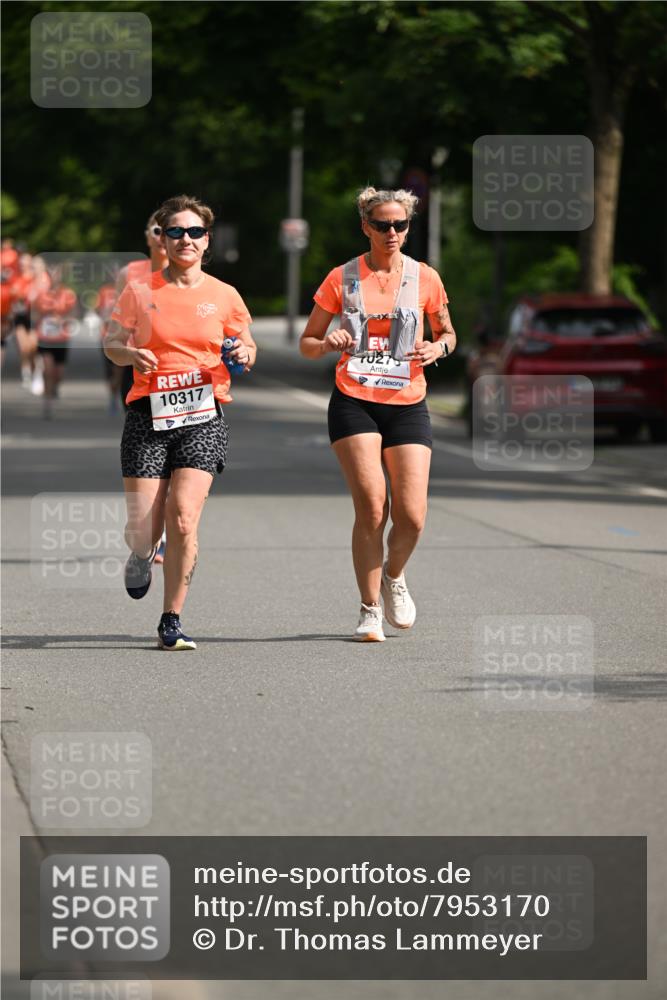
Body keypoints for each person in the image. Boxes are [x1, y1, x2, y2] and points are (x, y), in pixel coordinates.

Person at [300, 186, 456, 642]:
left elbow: (448, 332)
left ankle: (394, 576)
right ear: (366, 227)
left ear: (409, 228)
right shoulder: (342, 277)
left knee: (411, 515)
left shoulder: (425, 277)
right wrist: (327, 342)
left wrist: (438, 346)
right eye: (383, 224)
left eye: (400, 225)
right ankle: (369, 609)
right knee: (372, 507)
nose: (392, 232)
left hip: (408, 401)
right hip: (354, 401)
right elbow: (307, 343)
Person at [103, 194, 257, 650]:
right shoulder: (140, 292)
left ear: (207, 240)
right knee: (143, 529)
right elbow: (112, 342)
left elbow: (246, 345)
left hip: (203, 417)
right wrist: (130, 353)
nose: (185, 239)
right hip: (148, 415)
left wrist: (244, 352)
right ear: (163, 240)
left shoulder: (225, 295)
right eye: (175, 232)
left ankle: (171, 619)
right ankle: (141, 551)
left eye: (194, 232)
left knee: (185, 519)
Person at [33, 265, 77, 418]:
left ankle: (54, 388)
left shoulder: (68, 294)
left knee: (58, 374)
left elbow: (74, 313)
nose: (54, 277)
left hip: (61, 338)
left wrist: (64, 319)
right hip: (44, 338)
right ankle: (47, 402)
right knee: (48, 370)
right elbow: (33, 313)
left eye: (57, 274)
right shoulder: (41, 295)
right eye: (51, 273)